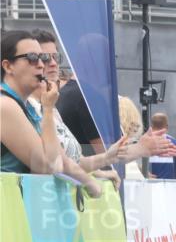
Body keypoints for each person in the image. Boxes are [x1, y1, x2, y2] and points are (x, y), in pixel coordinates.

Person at [1, 30, 103, 197]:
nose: (41, 65)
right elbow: (48, 166)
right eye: (32, 58)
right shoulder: (5, 106)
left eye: (42, 58)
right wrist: (48, 110)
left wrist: (91, 181)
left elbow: (62, 159)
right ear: (8, 66)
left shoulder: (25, 106)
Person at [28, 29, 125, 189]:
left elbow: (71, 160)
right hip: (42, 196)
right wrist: (91, 183)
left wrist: (100, 167)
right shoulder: (28, 106)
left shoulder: (49, 104)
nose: (53, 63)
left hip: (60, 194)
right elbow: (55, 162)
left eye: (56, 57)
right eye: (44, 58)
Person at [148, 113, 176, 179]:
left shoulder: (144, 143)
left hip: (150, 183)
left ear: (151, 126)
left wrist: (144, 173)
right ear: (167, 126)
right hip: (170, 183)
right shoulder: (175, 143)